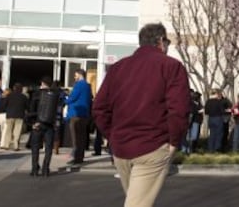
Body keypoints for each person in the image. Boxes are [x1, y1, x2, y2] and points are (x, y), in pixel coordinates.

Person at [93, 23, 190, 207]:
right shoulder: (171, 66)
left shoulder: (118, 68)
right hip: (153, 146)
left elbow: (99, 108)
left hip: (122, 148)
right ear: (161, 41)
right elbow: (178, 109)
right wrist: (174, 142)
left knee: (137, 201)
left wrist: (112, 136)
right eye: (167, 42)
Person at [28, 76, 59, 177]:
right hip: (49, 125)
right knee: (48, 148)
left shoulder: (37, 94)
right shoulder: (55, 95)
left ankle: (35, 169)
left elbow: (32, 110)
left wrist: (32, 122)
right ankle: (46, 169)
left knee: (35, 147)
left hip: (38, 123)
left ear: (42, 84)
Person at [65, 68, 91, 166]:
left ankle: (76, 158)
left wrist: (65, 98)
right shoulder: (88, 86)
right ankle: (80, 157)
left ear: (80, 75)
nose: (74, 77)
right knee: (82, 137)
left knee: (75, 138)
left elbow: (72, 98)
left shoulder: (79, 85)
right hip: (84, 114)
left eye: (75, 75)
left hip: (76, 114)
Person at [3, 83, 27, 151]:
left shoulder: (9, 96)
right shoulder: (24, 97)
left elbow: (4, 104)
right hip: (19, 115)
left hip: (10, 115)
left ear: (14, 88)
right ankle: (15, 145)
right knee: (17, 131)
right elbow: (27, 106)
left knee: (8, 130)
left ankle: (6, 145)